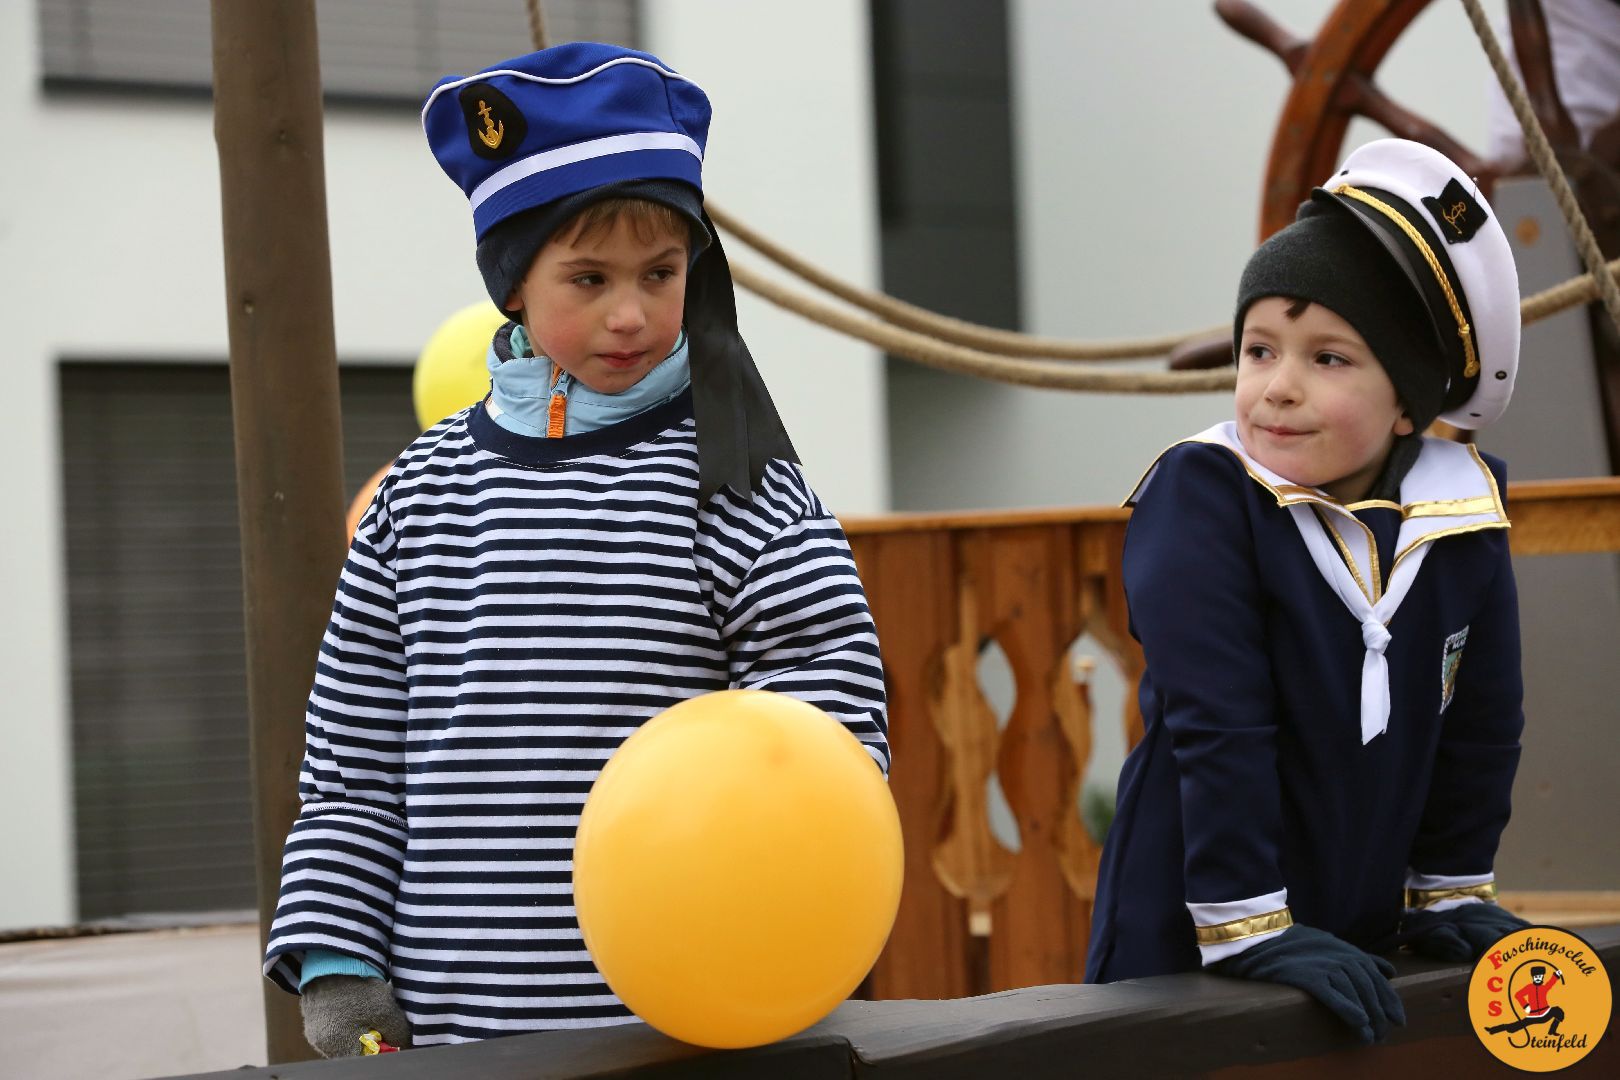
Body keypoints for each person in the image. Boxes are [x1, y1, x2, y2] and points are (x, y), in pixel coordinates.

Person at [261, 42, 890, 1055]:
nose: (630, 312)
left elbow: (827, 732)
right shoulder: (417, 499)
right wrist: (337, 959)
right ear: (513, 282)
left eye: (661, 272)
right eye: (588, 278)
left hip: (683, 1027)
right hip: (458, 1028)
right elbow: (353, 761)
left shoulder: (739, 481)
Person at [1086, 139, 1530, 1044]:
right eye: (1259, 350)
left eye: (1329, 359)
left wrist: (1449, 889)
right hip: (1189, 932)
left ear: (1406, 404)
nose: (1277, 389)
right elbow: (1219, 723)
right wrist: (1250, 924)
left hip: (1357, 932)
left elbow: (1483, 722)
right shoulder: (1203, 496)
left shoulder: (1464, 512)